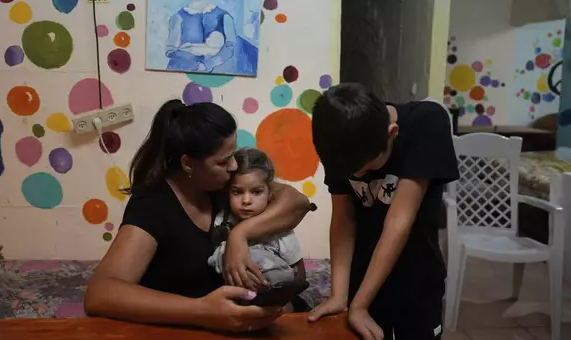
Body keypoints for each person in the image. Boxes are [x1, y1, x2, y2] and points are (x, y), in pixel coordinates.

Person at [84, 99, 311, 333]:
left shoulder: (221, 185)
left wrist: (240, 235)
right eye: (223, 161)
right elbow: (100, 293)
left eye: (233, 155)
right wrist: (202, 311)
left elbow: (298, 203)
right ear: (188, 164)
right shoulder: (153, 205)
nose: (234, 166)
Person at [307, 83, 459, 340]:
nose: (357, 176)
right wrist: (340, 296)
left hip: (416, 282)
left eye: (365, 168)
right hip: (363, 278)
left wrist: (360, 305)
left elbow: (399, 221)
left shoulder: (426, 122)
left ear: (393, 133)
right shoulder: (339, 139)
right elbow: (344, 222)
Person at [208, 147, 306, 286]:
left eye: (256, 192)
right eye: (237, 192)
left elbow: (299, 274)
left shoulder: (280, 230)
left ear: (270, 193)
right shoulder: (222, 221)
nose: (246, 200)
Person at [165, 0, 258, 75]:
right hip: (183, 74)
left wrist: (208, 64)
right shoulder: (177, 18)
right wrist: (193, 55)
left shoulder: (224, 17)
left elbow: (230, 48)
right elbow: (170, 51)